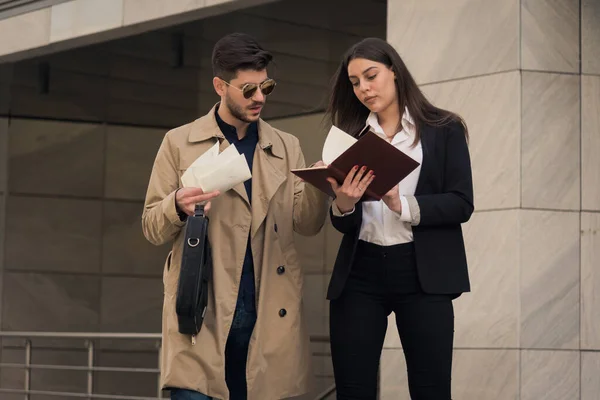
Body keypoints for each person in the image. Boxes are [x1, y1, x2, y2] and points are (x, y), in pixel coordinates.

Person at [142, 33, 329, 400]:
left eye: (266, 87)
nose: (260, 98)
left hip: (268, 313)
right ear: (219, 86)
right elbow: (151, 226)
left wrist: (319, 186)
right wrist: (176, 203)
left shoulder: (287, 146)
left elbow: (307, 224)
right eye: (248, 90)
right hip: (202, 312)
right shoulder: (179, 142)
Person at [324, 37, 474, 400]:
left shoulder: (443, 129)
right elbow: (346, 222)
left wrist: (401, 203)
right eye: (355, 82)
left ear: (394, 70)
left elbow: (461, 203)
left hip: (423, 274)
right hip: (360, 271)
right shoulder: (349, 138)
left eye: (370, 75)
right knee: (353, 390)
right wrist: (342, 204)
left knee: (431, 390)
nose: (363, 88)